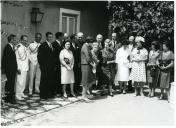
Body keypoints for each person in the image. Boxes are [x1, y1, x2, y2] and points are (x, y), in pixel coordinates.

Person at [38, 32, 55, 99]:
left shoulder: (52, 45)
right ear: (46, 37)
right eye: (49, 37)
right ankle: (43, 95)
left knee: (50, 81)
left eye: (51, 37)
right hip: (45, 67)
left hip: (51, 67)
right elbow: (39, 57)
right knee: (44, 81)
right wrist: (42, 66)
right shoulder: (43, 45)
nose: (50, 38)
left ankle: (48, 93)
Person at [2, 34, 18, 103]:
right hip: (9, 70)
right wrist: (5, 70)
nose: (15, 41)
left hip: (12, 70)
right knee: (10, 84)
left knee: (10, 84)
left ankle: (8, 97)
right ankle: (10, 98)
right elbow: (5, 60)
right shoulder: (7, 47)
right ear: (11, 40)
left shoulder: (11, 47)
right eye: (14, 40)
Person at [81, 36, 95, 101]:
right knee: (85, 81)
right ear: (89, 42)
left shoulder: (87, 46)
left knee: (89, 80)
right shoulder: (85, 47)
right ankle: (83, 96)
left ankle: (85, 94)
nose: (92, 44)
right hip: (85, 65)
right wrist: (93, 64)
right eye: (92, 43)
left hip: (88, 65)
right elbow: (87, 57)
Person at [15, 35, 29, 100]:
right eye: (24, 40)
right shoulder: (18, 47)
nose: (25, 41)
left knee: (23, 82)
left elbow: (27, 57)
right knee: (19, 82)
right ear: (21, 40)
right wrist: (18, 68)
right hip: (20, 67)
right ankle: (17, 95)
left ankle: (21, 93)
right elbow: (17, 58)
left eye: (26, 40)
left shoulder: (25, 47)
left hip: (25, 67)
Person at [52, 32, 64, 97]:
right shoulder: (54, 44)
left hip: (61, 64)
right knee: (56, 78)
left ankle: (60, 90)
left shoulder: (61, 44)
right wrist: (54, 65)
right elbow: (53, 55)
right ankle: (56, 91)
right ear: (59, 37)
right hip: (56, 64)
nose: (63, 38)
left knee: (60, 77)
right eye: (62, 36)